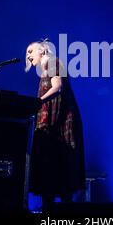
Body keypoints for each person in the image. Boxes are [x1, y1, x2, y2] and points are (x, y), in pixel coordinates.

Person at [25, 39, 85, 211]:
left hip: (60, 122)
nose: (28, 56)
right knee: (50, 166)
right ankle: (49, 207)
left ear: (43, 50)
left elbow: (57, 87)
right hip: (50, 123)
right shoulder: (43, 70)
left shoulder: (53, 62)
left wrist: (37, 103)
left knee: (60, 163)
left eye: (31, 51)